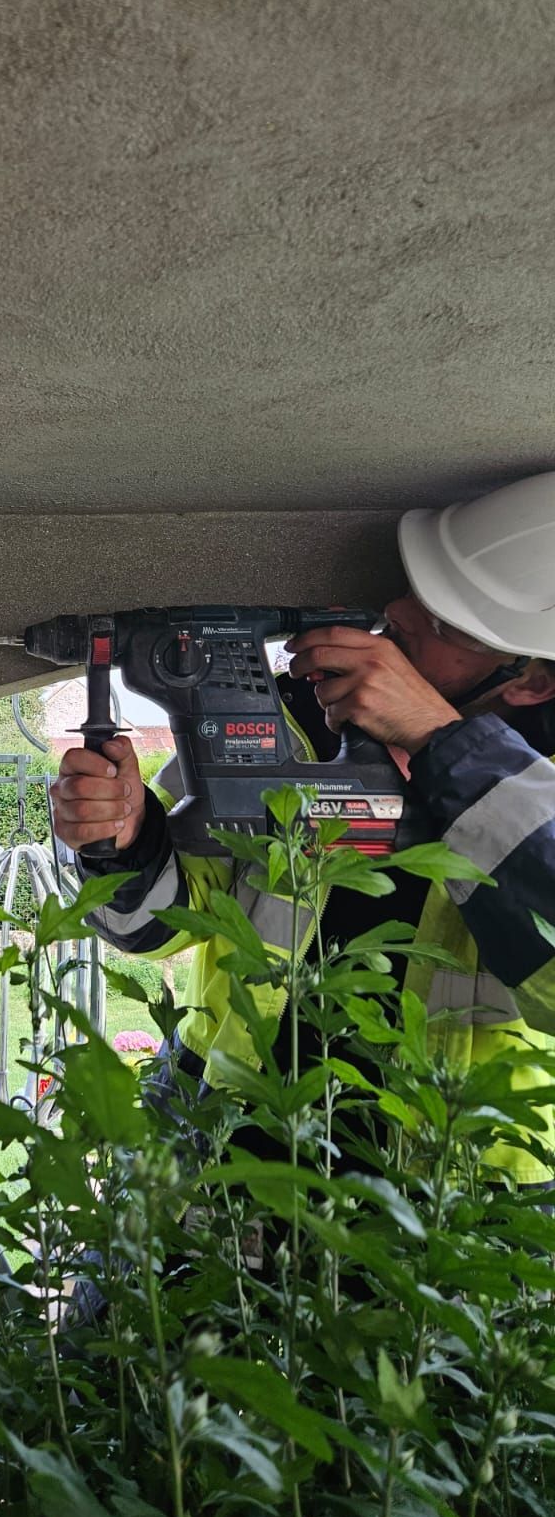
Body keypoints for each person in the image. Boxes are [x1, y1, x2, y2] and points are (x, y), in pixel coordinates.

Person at [51, 473, 555, 1183]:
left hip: (448, 1200)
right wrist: (128, 844)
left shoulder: (542, 793)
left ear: (532, 680)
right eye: (412, 588)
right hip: (229, 1142)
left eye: (443, 621)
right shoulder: (280, 727)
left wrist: (442, 742)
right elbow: (148, 927)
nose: (396, 614)